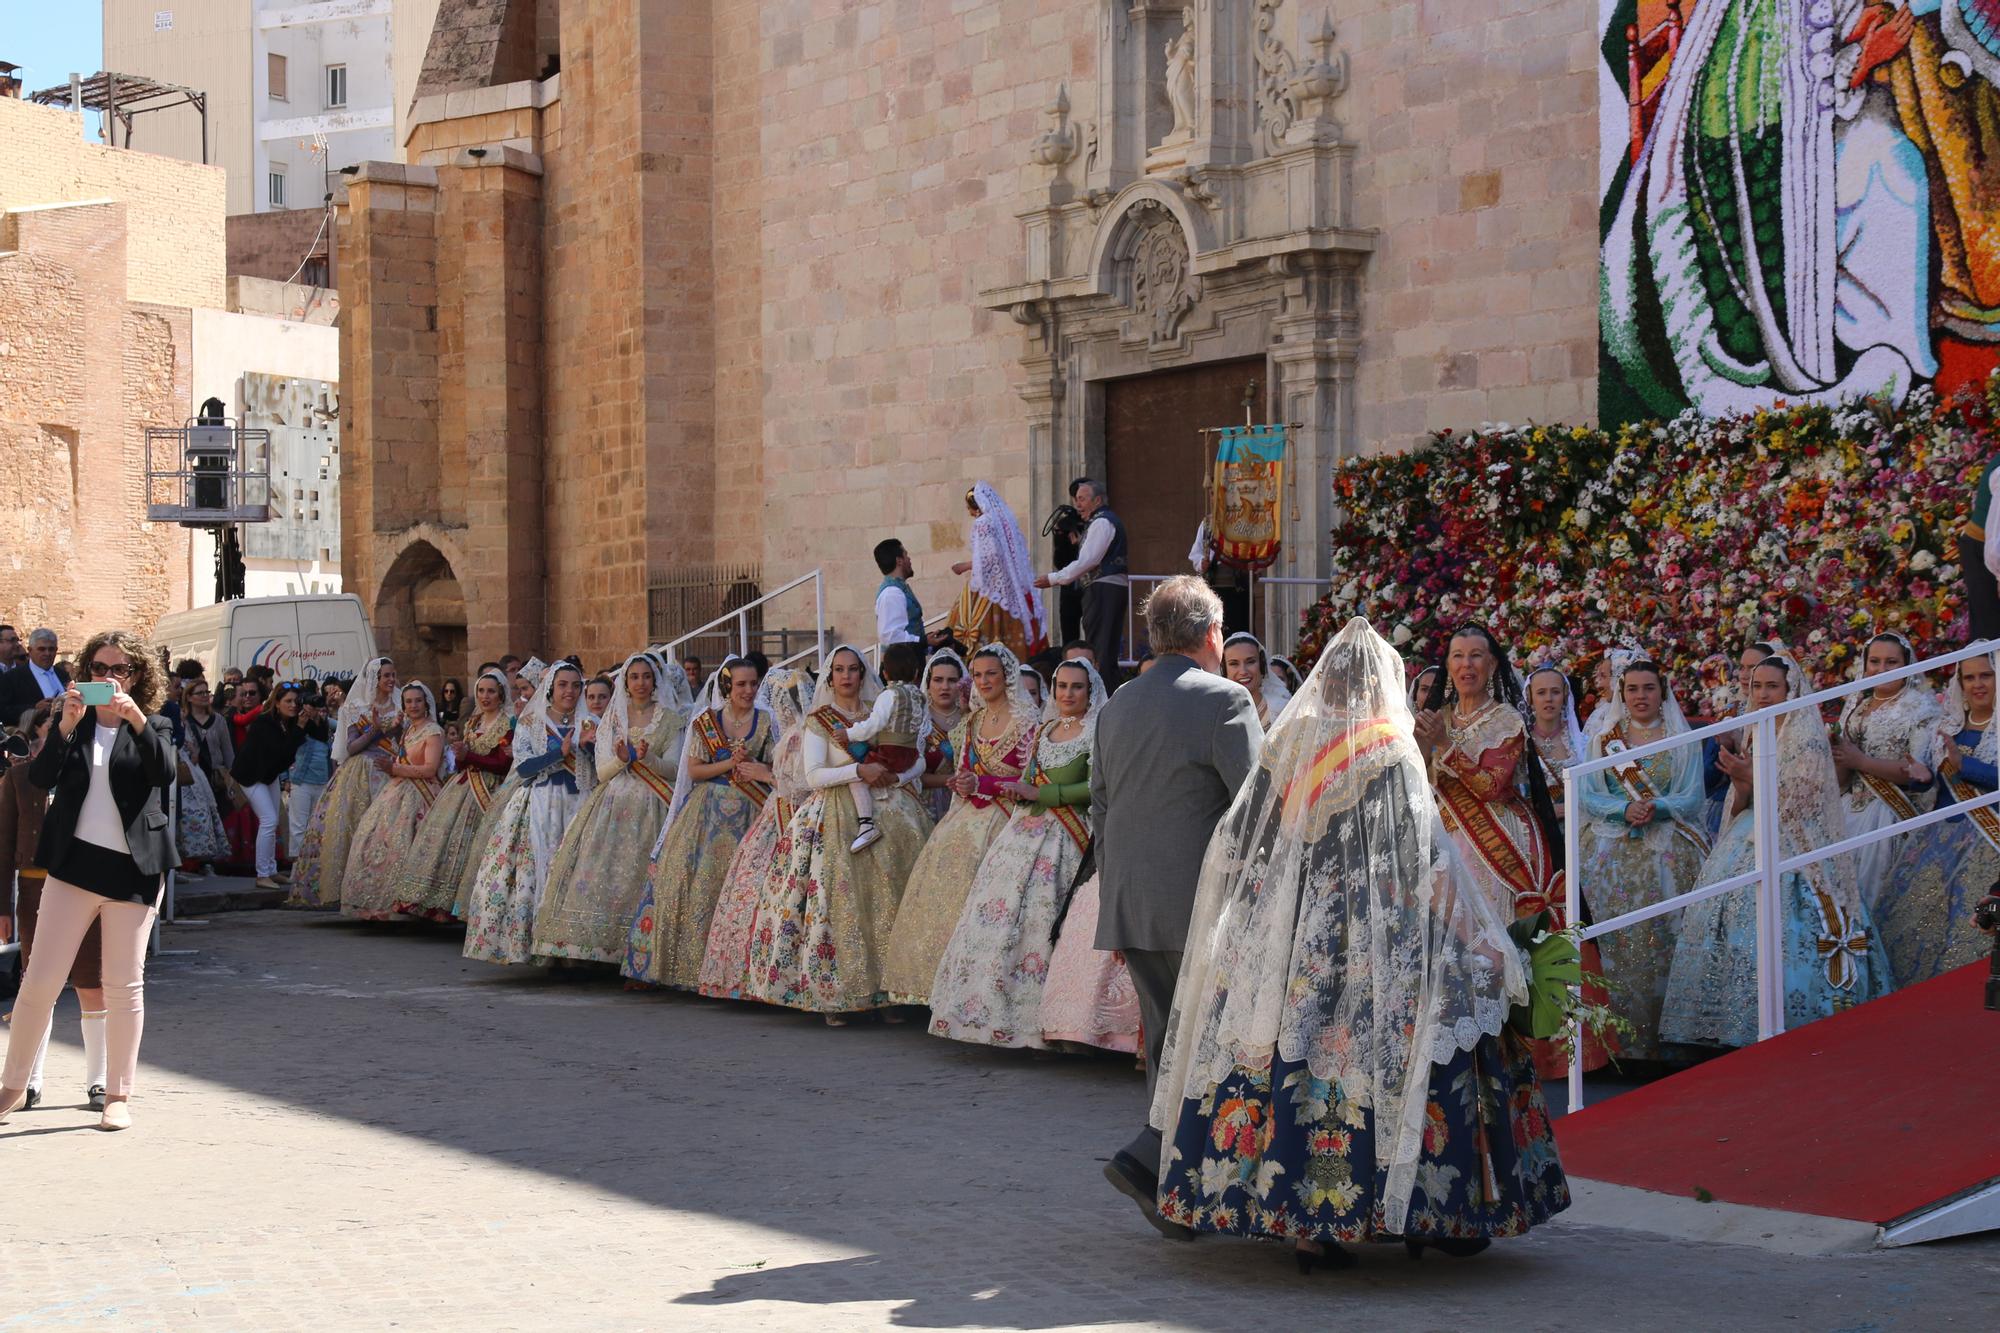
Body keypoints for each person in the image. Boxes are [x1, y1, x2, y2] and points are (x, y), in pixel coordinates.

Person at [1151, 617, 1568, 1265]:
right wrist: (1479, 938)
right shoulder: (1388, 746)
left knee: (1303, 1061)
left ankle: (1303, 1216)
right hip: (1384, 934)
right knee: (1411, 1055)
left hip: (1304, 935)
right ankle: (1430, 1210)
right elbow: (1424, 856)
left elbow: (1254, 841)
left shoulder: (1290, 744)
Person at [1092, 574, 1262, 1239]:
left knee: (1170, 1039)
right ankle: (1154, 1163)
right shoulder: (1224, 700)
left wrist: (1119, 884)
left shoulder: (1119, 703)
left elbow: (1101, 806)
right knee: (1211, 1041)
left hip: (1133, 902)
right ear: (1212, 634)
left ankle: (1174, 1189)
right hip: (1199, 905)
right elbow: (1256, 807)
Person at [1661, 655, 1891, 1050]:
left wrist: (1752, 776)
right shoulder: (1754, 729)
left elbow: (1805, 801)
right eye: (1757, 687)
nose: (1764, 695)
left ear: (1791, 690)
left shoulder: (1806, 734)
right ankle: (1735, 1020)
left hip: (1796, 839)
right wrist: (1742, 780)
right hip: (1749, 833)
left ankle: (1797, 1019)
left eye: (1773, 687)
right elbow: (1744, 800)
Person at [1412, 624, 1609, 1077]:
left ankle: (1513, 1047)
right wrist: (1422, 747)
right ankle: (1456, 1042)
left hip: (1498, 840)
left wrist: (1443, 743)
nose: (1466, 665)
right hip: (1445, 832)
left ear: (1493, 664)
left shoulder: (1506, 720)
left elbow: (1492, 786)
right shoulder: (1435, 716)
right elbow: (1422, 783)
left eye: (1476, 656)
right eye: (1457, 656)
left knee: (1496, 937)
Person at [0, 630, 176, 1132]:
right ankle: (12, 1086)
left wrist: (136, 720)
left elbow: (164, 773)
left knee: (124, 987)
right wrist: (62, 727)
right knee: (38, 982)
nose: (108, 678)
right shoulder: (71, 725)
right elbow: (40, 779)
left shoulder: (156, 724)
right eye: (99, 669)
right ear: (85, 672)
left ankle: (119, 1094)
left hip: (133, 872)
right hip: (73, 868)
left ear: (137, 675)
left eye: (120, 670)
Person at [741, 646, 933, 1022]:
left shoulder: (882, 708)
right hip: (835, 815)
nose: (847, 677)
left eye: (854, 670)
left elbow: (917, 756)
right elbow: (813, 776)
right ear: (830, 677)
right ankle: (838, 994)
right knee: (837, 903)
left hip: (890, 811)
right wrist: (858, 772)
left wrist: (900, 776)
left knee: (889, 902)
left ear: (864, 674)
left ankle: (890, 991)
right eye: (840, 670)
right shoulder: (820, 720)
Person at [929, 658, 1107, 1049]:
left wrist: (1042, 794)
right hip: (1023, 833)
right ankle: (987, 1015)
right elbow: (1024, 780)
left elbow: (1096, 787)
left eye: (1076, 687)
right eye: (1061, 686)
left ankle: (1046, 1025)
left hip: (1066, 838)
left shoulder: (1096, 732)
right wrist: (997, 785)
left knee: (1043, 921)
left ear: (1090, 691)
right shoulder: (1045, 730)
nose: (1067, 694)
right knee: (998, 915)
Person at [880, 645, 1036, 1007]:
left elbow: (1030, 778)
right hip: (964, 818)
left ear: (1006, 676)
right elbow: (964, 771)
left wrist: (983, 784)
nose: (984, 682)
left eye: (991, 674)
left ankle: (977, 994)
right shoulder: (971, 723)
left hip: (1009, 821)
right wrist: (961, 782)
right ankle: (931, 989)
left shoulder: (1029, 724)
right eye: (978, 675)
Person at [1576, 658, 1711, 1061]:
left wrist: (1659, 806)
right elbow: (1589, 795)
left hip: (1668, 848)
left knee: (1666, 938)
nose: (1640, 696)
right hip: (1610, 853)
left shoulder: (1681, 739)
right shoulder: (1604, 741)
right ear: (1621, 694)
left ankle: (1668, 1037)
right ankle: (1614, 1042)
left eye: (1648, 688)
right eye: (1632, 689)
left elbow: (1692, 796)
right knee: (1614, 940)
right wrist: (1623, 810)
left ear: (1662, 692)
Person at [623, 657, 775, 989]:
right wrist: (728, 765)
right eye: (741, 685)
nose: (748, 691)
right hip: (706, 813)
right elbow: (693, 770)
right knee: (692, 885)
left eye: (753, 684)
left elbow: (778, 767)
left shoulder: (766, 722)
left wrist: (755, 765)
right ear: (727, 687)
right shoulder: (705, 723)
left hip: (751, 813)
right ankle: (689, 969)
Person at [533, 653, 691, 963]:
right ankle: (597, 950)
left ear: (656, 680)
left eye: (647, 676)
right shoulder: (614, 718)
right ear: (626, 683)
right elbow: (603, 772)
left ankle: (643, 952)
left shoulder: (671, 720)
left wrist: (648, 759)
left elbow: (674, 769)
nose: (641, 683)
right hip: (613, 804)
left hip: (654, 803)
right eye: (634, 677)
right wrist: (621, 758)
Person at [0, 700, 109, 1113]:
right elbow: (4, 846)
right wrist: (3, 907)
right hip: (35, 889)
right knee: (35, 985)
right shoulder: (20, 776)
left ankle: (99, 1081)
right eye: (60, 722)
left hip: (89, 885)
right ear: (41, 731)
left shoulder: (98, 775)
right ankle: (28, 1080)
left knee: (92, 983)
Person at [1876, 651, 2000, 986]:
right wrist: (1924, 777)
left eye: (1985, 676)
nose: (1977, 684)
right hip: (1940, 844)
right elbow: (1938, 788)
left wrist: (1967, 766)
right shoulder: (1946, 728)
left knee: (1972, 927)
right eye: (1969, 677)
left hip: (1990, 843)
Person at [695, 667, 814, 999]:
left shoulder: (800, 736)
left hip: (790, 819)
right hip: (774, 817)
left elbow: (803, 790)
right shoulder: (793, 733)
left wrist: (764, 774)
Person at [464, 662, 592, 965]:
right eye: (563, 685)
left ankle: (574, 951)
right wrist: (557, 754)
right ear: (551, 687)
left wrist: (589, 749)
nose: (569, 691)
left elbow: (600, 768)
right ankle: (543, 950)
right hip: (542, 803)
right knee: (541, 871)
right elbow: (523, 767)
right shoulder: (532, 722)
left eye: (575, 685)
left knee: (575, 872)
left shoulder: (590, 721)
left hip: (580, 801)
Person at [390, 668, 514, 921]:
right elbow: (461, 763)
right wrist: (461, 758)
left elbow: (503, 764)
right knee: (447, 842)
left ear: (501, 694)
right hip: (462, 785)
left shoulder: (507, 723)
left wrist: (470, 756)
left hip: (489, 789)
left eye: (491, 691)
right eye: (481, 691)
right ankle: (439, 904)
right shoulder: (473, 722)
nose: (485, 696)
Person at [1833, 632, 1938, 913]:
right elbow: (1844, 775)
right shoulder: (1858, 706)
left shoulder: (1919, 707)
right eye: (1875, 661)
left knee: (1873, 898)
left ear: (1907, 664)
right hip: (1848, 810)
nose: (1881, 670)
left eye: (1892, 662)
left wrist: (1860, 761)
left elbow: (1918, 771)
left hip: (1887, 812)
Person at [288, 658, 400, 908]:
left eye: (393, 675)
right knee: (351, 827)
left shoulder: (401, 703)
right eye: (386, 676)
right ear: (375, 679)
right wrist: (375, 729)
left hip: (392, 771)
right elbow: (351, 747)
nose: (391, 680)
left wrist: (396, 730)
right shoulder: (356, 707)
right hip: (361, 772)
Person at [340, 683, 445, 919]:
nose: (413, 706)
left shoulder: (433, 731)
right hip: (397, 790)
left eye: (418, 701)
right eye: (408, 701)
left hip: (423, 793)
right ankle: (378, 902)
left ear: (426, 703)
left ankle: (413, 903)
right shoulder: (408, 729)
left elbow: (429, 769)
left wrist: (394, 767)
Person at [1035, 478, 1129, 686]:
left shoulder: (1102, 522)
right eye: (1076, 499)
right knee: (1104, 647)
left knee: (1100, 649)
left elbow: (1088, 561)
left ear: (1096, 501)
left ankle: (1100, 697)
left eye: (1082, 499)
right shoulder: (1102, 521)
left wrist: (1053, 578)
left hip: (1104, 589)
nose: (1077, 505)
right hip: (1106, 588)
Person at [946, 482, 1049, 661]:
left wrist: (964, 566)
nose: (969, 512)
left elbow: (990, 557)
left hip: (989, 587)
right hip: (1009, 587)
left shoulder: (982, 523)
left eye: (969, 508)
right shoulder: (1003, 521)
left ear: (976, 507)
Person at [840, 641, 927, 852]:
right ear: (916, 672)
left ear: (885, 673)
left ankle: (866, 825)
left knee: (857, 779)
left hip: (891, 753)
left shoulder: (889, 695)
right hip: (911, 754)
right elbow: (923, 728)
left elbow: (874, 724)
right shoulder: (920, 696)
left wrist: (849, 733)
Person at [230, 682, 312, 889]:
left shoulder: (290, 722)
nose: (293, 705)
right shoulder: (264, 723)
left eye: (296, 701)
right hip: (251, 775)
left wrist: (309, 720)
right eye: (288, 701)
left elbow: (306, 741)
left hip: (268, 775)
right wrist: (300, 728)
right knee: (268, 820)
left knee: (272, 821)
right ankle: (262, 874)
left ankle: (271, 870)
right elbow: (283, 752)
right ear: (276, 703)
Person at [174, 678, 234, 877]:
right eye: (200, 693)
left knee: (211, 814)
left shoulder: (218, 720)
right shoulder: (182, 718)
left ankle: (209, 861)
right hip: (191, 774)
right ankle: (187, 863)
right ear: (189, 697)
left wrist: (231, 775)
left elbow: (227, 751)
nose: (204, 697)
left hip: (213, 774)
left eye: (206, 693)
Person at [1524, 664, 1586, 844]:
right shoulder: (1520, 743)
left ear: (1565, 696)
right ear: (1530, 698)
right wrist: (1547, 811)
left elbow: (1598, 790)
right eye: (1541, 692)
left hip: (1581, 835)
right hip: (1538, 838)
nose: (1549, 699)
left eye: (1555, 692)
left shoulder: (1582, 743)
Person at [914, 648, 967, 822]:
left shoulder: (972, 718)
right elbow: (912, 774)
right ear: (928, 685)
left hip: (967, 803)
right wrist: (951, 779)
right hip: (927, 805)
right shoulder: (918, 721)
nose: (945, 687)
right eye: (938, 680)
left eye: (952, 680)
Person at [284, 691, 334, 869]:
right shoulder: (298, 722)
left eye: (319, 706)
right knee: (298, 826)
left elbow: (344, 726)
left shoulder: (326, 724)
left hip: (322, 782)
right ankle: (298, 868)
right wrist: (302, 720)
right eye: (313, 705)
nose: (317, 709)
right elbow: (289, 746)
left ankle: (314, 868)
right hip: (302, 781)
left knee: (318, 827)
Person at [0, 628, 69, 726]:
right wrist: (34, 708)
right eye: (42, 649)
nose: (47, 653)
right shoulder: (12, 677)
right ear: (30, 650)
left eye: (51, 649)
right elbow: (3, 712)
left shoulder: (62, 674)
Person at [1222, 631, 1293, 726]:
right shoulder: (1215, 712)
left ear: (1262, 665)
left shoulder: (1282, 710)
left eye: (1250, 662)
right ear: (1224, 670)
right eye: (1234, 664)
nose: (1243, 671)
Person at [874, 538, 926, 647]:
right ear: (899, 561)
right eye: (906, 555)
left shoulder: (897, 590)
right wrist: (922, 641)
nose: (909, 559)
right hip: (901, 663)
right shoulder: (891, 593)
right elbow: (890, 637)